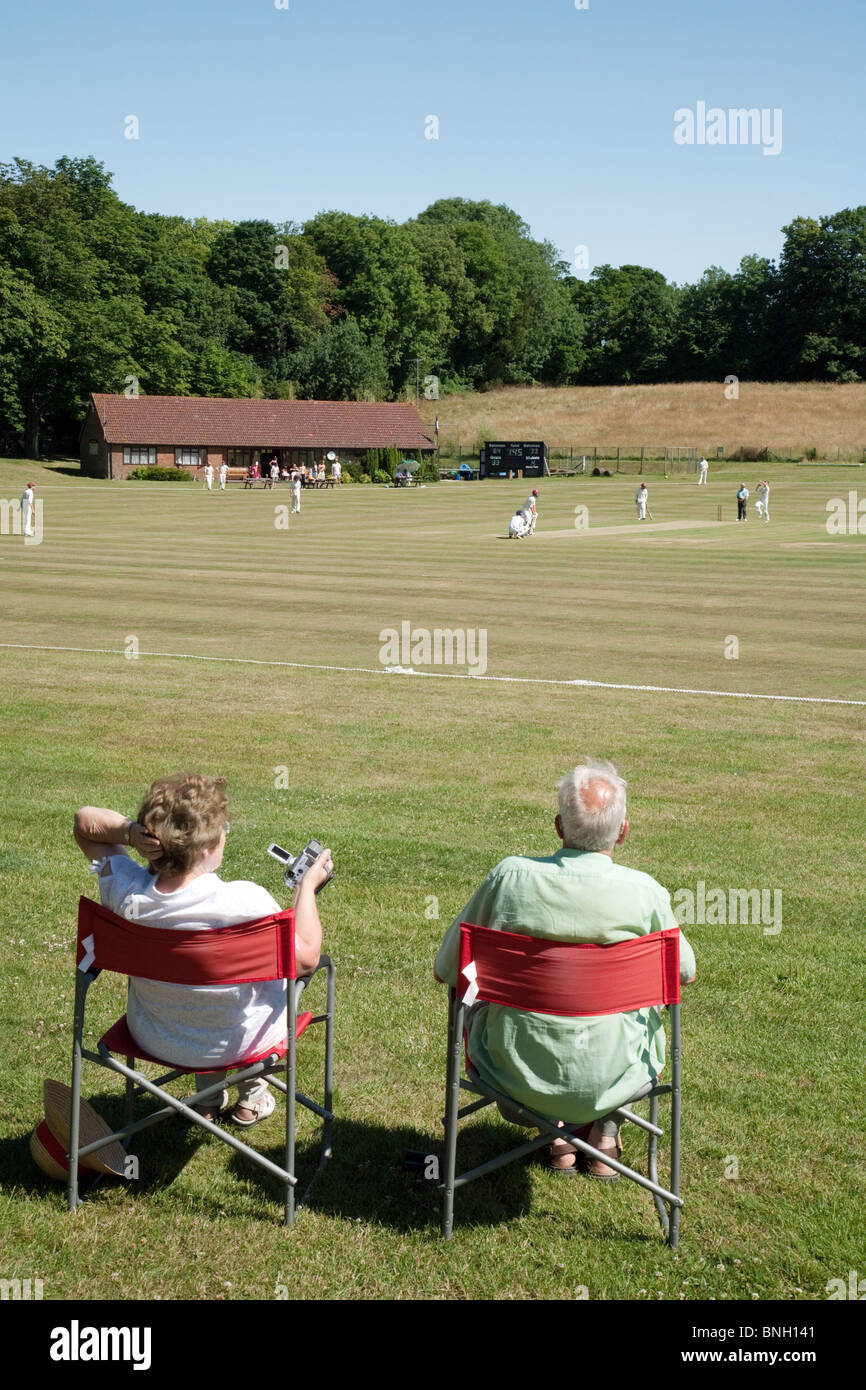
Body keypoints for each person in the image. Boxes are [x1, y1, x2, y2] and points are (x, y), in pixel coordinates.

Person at [434, 759, 696, 1176]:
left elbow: (447, 968)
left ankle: (555, 1134)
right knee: (642, 1008)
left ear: (558, 826)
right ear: (624, 831)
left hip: (515, 1075)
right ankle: (605, 1133)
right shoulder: (645, 893)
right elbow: (684, 972)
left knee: (475, 1001)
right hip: (617, 1074)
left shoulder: (508, 878)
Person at [73, 775, 332, 1127]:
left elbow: (84, 823)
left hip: (155, 1037)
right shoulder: (245, 901)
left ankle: (207, 1097)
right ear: (208, 848)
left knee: (204, 993)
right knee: (249, 990)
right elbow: (306, 959)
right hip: (241, 1042)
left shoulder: (125, 892)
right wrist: (306, 888)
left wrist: (132, 833)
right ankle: (251, 1094)